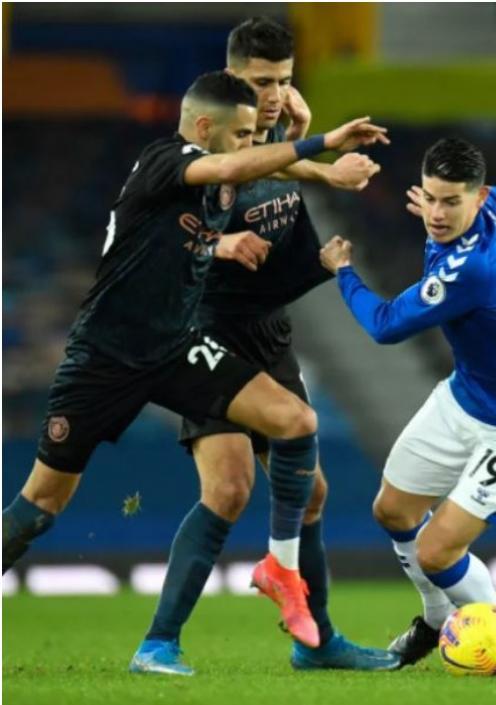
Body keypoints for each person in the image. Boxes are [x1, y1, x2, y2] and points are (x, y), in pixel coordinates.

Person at [0, 69, 385, 668]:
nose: (245, 147)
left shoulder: (221, 172)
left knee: (295, 421)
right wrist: (322, 142)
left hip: (176, 346)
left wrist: (317, 168)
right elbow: (232, 167)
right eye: (237, 136)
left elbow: (256, 167)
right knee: (38, 508)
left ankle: (267, 576)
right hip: (105, 357)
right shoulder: (165, 161)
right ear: (204, 128)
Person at [133, 17, 397, 676]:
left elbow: (273, 172)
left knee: (310, 493)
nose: (275, 94)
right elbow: (158, 228)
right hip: (207, 330)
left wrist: (325, 173)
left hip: (269, 330)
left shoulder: (274, 132)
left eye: (282, 79)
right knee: (228, 488)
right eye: (260, 81)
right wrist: (218, 243)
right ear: (230, 80)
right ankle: (158, 642)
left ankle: (318, 641)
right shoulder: (200, 149)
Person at [317, 137, 496, 666]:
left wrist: (343, 271)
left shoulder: (469, 270)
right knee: (392, 510)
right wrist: (494, 199)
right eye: (429, 197)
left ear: (475, 199)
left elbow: (384, 327)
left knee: (437, 551)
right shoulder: (486, 207)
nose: (435, 213)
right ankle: (434, 619)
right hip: (462, 398)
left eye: (451, 202)